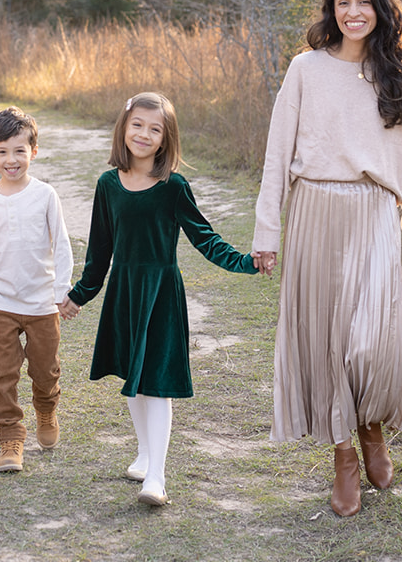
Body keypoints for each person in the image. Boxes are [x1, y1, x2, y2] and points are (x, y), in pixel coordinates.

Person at [251, 0, 402, 518]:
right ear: (331, 11)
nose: (352, 12)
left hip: (375, 214)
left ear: (380, 9)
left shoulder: (398, 76)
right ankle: (344, 459)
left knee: (372, 340)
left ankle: (372, 428)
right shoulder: (306, 69)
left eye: (363, 2)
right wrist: (267, 231)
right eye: (342, 3)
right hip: (313, 211)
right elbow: (276, 154)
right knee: (326, 341)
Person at [59, 92, 260, 507]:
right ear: (124, 128)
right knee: (133, 384)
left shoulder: (173, 187)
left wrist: (247, 263)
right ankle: (145, 452)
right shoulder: (108, 184)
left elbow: (206, 239)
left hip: (162, 294)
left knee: (157, 385)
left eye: (156, 129)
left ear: (167, 138)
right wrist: (78, 296)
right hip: (125, 292)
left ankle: (157, 477)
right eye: (138, 125)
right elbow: (100, 252)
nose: (145, 134)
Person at [0, 107, 74, 473]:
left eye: (19, 151)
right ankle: (11, 436)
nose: (11, 160)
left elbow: (60, 244)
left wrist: (62, 291)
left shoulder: (45, 195)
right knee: (2, 373)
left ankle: (46, 408)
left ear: (34, 151)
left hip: (43, 303)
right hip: (0, 302)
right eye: (3, 151)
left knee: (45, 370)